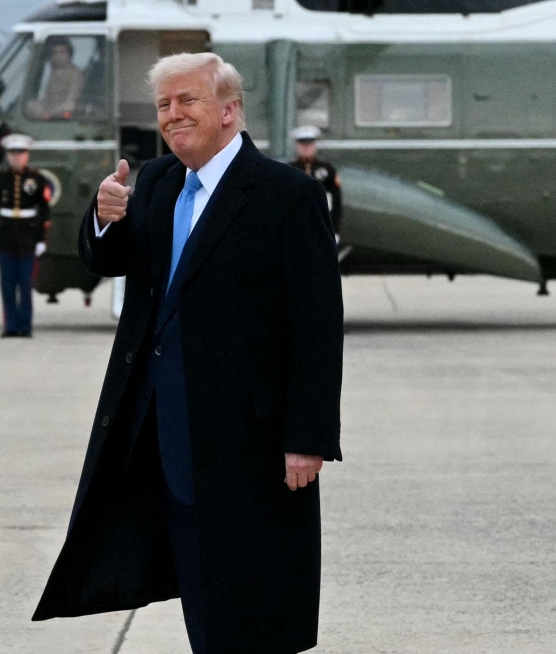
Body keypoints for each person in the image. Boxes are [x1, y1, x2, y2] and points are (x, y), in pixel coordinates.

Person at [33, 53, 343, 654]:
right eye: (164, 105)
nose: (172, 115)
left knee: (251, 592)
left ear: (229, 111)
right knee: (198, 584)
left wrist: (307, 436)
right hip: (158, 428)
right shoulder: (155, 182)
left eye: (188, 101)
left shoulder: (287, 195)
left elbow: (316, 328)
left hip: (246, 437)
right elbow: (114, 261)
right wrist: (103, 219)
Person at [0, 134, 51, 338]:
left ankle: (25, 325)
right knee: (7, 286)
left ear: (27, 155)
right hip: (5, 239)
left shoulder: (36, 179)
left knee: (25, 285)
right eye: (13, 153)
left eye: (20, 153)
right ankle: (10, 326)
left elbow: (44, 212)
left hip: (28, 240)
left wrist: (41, 240)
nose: (17, 157)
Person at [288, 124, 343, 238]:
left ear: (315, 145)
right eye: (303, 144)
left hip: (322, 223)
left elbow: (336, 201)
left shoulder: (327, 169)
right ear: (297, 146)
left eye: (310, 143)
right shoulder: (289, 169)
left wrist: (335, 229)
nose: (306, 147)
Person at [25, 37, 84, 120]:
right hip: (50, 113)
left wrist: (48, 114)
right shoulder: (54, 72)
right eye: (54, 52)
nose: (58, 56)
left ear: (69, 54)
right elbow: (48, 99)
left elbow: (70, 105)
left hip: (63, 118)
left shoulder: (75, 74)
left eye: (62, 52)